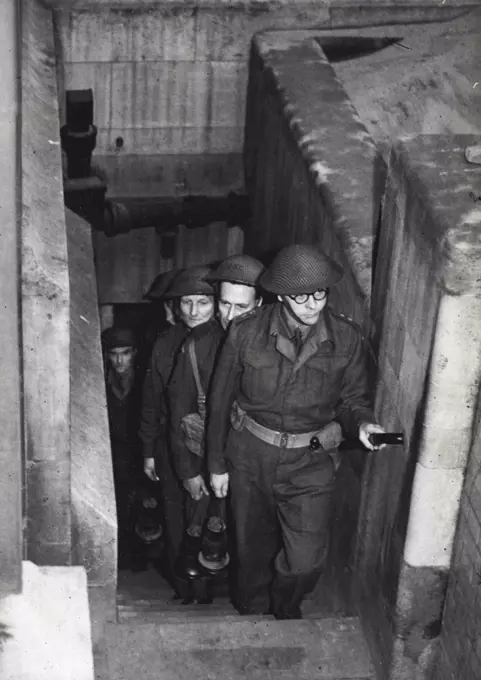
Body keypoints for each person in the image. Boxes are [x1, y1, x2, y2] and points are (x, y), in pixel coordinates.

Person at [206, 243, 386, 619]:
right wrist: (216, 463)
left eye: (319, 293)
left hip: (310, 462)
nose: (312, 304)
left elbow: (353, 400)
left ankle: (285, 613)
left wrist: (364, 423)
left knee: (305, 562)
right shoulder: (245, 333)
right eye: (301, 296)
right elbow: (220, 402)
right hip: (250, 456)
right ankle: (252, 617)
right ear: (282, 295)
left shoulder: (347, 339)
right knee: (250, 552)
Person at [168, 255, 265, 584]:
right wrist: (187, 471)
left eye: (241, 308)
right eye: (224, 305)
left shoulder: (272, 346)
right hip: (205, 457)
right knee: (203, 527)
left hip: (256, 464)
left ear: (260, 304)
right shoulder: (196, 346)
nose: (229, 316)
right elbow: (178, 412)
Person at [139, 265, 215, 598]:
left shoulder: (226, 339)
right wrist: (148, 451)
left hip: (214, 449)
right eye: (186, 303)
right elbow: (151, 402)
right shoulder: (164, 344)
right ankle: (184, 588)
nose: (194, 311)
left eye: (202, 302)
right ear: (176, 305)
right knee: (174, 518)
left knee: (212, 521)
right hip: (171, 447)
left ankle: (210, 587)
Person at [102, 326, 144, 570]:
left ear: (134, 353)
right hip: (112, 455)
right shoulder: (102, 380)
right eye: (114, 353)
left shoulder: (144, 381)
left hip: (138, 455)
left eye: (125, 353)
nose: (119, 360)